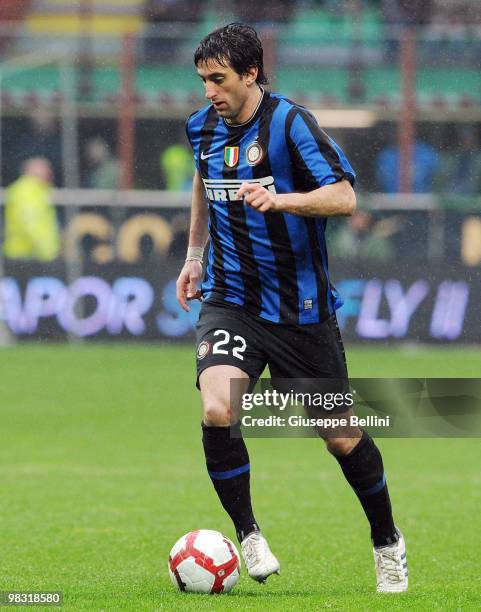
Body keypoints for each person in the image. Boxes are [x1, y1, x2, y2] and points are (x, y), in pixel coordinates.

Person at [176, 23, 408, 593]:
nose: (210, 91)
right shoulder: (201, 126)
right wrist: (193, 254)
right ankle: (248, 534)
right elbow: (206, 183)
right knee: (217, 410)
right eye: (204, 80)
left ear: (251, 74)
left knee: (340, 436)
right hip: (231, 301)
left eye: (219, 79)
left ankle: (387, 542)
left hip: (301, 312)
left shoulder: (291, 123)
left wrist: (281, 199)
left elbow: (345, 196)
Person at [3, 157, 60, 261]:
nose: (49, 172)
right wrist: (47, 250)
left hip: (27, 253)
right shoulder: (27, 190)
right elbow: (31, 222)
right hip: (27, 255)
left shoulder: (37, 190)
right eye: (44, 169)